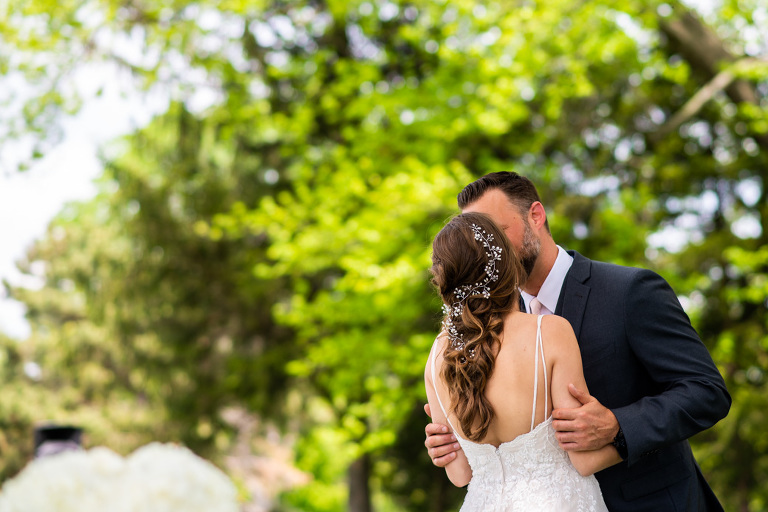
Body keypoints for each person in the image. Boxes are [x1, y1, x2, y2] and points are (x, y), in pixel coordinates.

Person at [425, 172, 731, 511]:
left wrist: (618, 425)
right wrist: (456, 440)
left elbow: (707, 391)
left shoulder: (629, 290)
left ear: (536, 216)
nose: (487, 250)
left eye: (496, 233)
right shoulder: (483, 333)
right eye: (478, 240)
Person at [426, 211, 618, 510]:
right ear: (505, 265)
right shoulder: (549, 332)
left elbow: (460, 473)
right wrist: (630, 435)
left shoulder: (438, 355)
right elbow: (585, 459)